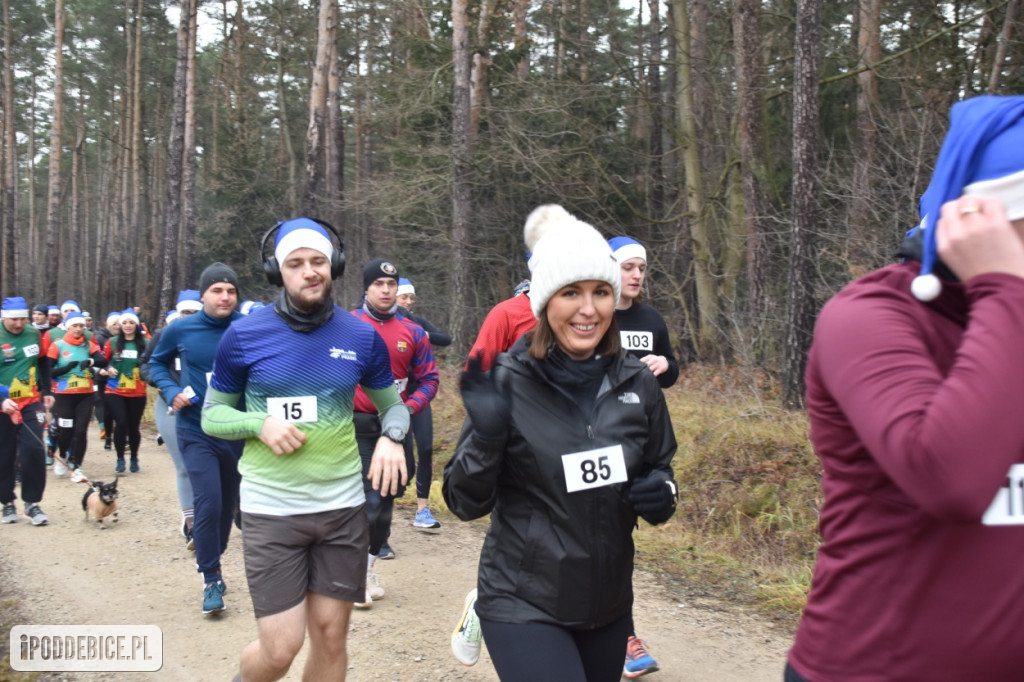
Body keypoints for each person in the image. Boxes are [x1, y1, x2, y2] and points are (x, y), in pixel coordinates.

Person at [786, 96, 1024, 682]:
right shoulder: (869, 316)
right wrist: (1005, 289)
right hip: (870, 668)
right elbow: (951, 479)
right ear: (985, 218)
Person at [443, 204, 678, 682]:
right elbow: (463, 502)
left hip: (607, 601)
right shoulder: (507, 381)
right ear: (545, 301)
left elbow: (660, 469)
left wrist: (662, 495)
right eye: (571, 292)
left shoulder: (639, 382)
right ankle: (482, 611)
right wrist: (486, 435)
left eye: (600, 292)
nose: (588, 310)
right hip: (522, 596)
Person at [200, 217, 410, 681]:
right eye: (295, 263)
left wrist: (393, 437)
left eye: (318, 261)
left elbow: (393, 406)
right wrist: (259, 423)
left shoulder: (360, 336)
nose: (309, 271)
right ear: (278, 271)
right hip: (271, 510)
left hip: (341, 509)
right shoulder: (244, 335)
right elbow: (212, 414)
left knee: (331, 638)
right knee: (280, 650)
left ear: (333, 266)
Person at [148, 262, 244, 615]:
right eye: (217, 290)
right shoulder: (181, 329)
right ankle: (210, 578)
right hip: (195, 428)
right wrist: (171, 389)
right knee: (209, 501)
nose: (224, 296)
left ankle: (213, 558)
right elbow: (156, 363)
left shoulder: (247, 328)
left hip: (236, 430)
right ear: (203, 294)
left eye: (231, 291)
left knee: (227, 505)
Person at [607, 234, 680, 678]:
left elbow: (670, 367)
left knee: (616, 540)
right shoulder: (588, 314)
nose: (636, 276)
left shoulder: (651, 318)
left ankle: (623, 636)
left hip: (637, 443)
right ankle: (503, 603)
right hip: (585, 440)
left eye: (641, 269)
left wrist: (664, 366)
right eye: (628, 267)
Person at [351, 259, 438, 606]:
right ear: (367, 288)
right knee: (370, 502)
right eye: (379, 284)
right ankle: (355, 572)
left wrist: (409, 407)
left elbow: (429, 379)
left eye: (391, 284)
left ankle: (367, 566)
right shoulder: (347, 325)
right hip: (355, 427)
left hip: (396, 427)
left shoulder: (413, 331)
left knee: (387, 500)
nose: (386, 290)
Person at [141, 291, 200, 548]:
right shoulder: (165, 334)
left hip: (208, 409)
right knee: (185, 467)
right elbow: (146, 365)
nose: (189, 317)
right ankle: (192, 525)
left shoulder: (216, 335)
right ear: (178, 313)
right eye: (185, 312)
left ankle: (212, 513)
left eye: (194, 313)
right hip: (170, 408)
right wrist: (167, 387)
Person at [394, 277, 451, 536]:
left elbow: (446, 338)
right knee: (406, 458)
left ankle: (422, 511)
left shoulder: (416, 322)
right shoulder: (383, 322)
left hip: (421, 394)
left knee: (426, 448)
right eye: (404, 297)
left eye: (411, 299)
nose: (408, 302)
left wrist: (423, 334)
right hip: (394, 397)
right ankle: (390, 495)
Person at [0, 297, 54, 525]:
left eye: (23, 319)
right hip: (3, 403)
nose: (19, 324)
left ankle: (32, 503)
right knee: (5, 455)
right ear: (4, 318)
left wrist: (47, 389)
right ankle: (6, 502)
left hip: (30, 401)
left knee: (33, 449)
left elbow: (42, 362)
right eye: (14, 320)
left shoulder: (33, 334)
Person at [44, 310, 107, 482]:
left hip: (85, 395)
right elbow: (48, 370)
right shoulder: (57, 345)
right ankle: (63, 455)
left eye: (81, 326)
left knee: (81, 432)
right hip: (64, 396)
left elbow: (103, 361)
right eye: (74, 326)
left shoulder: (88, 345)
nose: (78, 329)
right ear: (67, 327)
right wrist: (65, 369)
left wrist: (91, 362)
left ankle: (77, 466)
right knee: (66, 431)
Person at [99, 308, 148, 473]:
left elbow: (153, 363)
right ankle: (120, 459)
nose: (128, 326)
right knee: (121, 423)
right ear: (120, 325)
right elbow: (101, 362)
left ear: (136, 324)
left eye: (131, 322)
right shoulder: (112, 342)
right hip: (115, 390)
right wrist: (106, 369)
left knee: (133, 426)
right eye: (125, 323)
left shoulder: (145, 344)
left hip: (137, 391)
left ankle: (134, 457)